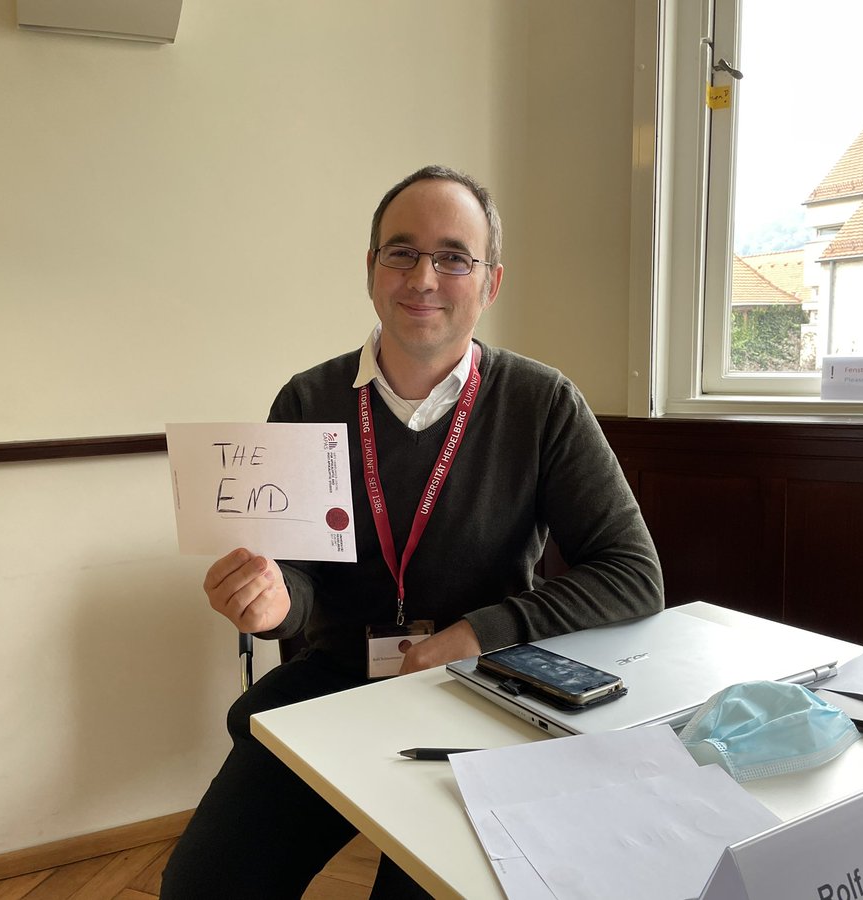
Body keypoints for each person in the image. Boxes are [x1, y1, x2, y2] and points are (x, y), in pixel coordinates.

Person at [160, 165, 664, 898]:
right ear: (372, 271)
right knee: (204, 887)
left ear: (490, 283)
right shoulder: (308, 398)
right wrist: (274, 604)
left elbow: (632, 572)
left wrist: (478, 633)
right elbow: (299, 577)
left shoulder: (543, 401)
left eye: (454, 256)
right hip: (335, 684)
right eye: (402, 252)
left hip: (482, 688)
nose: (424, 277)